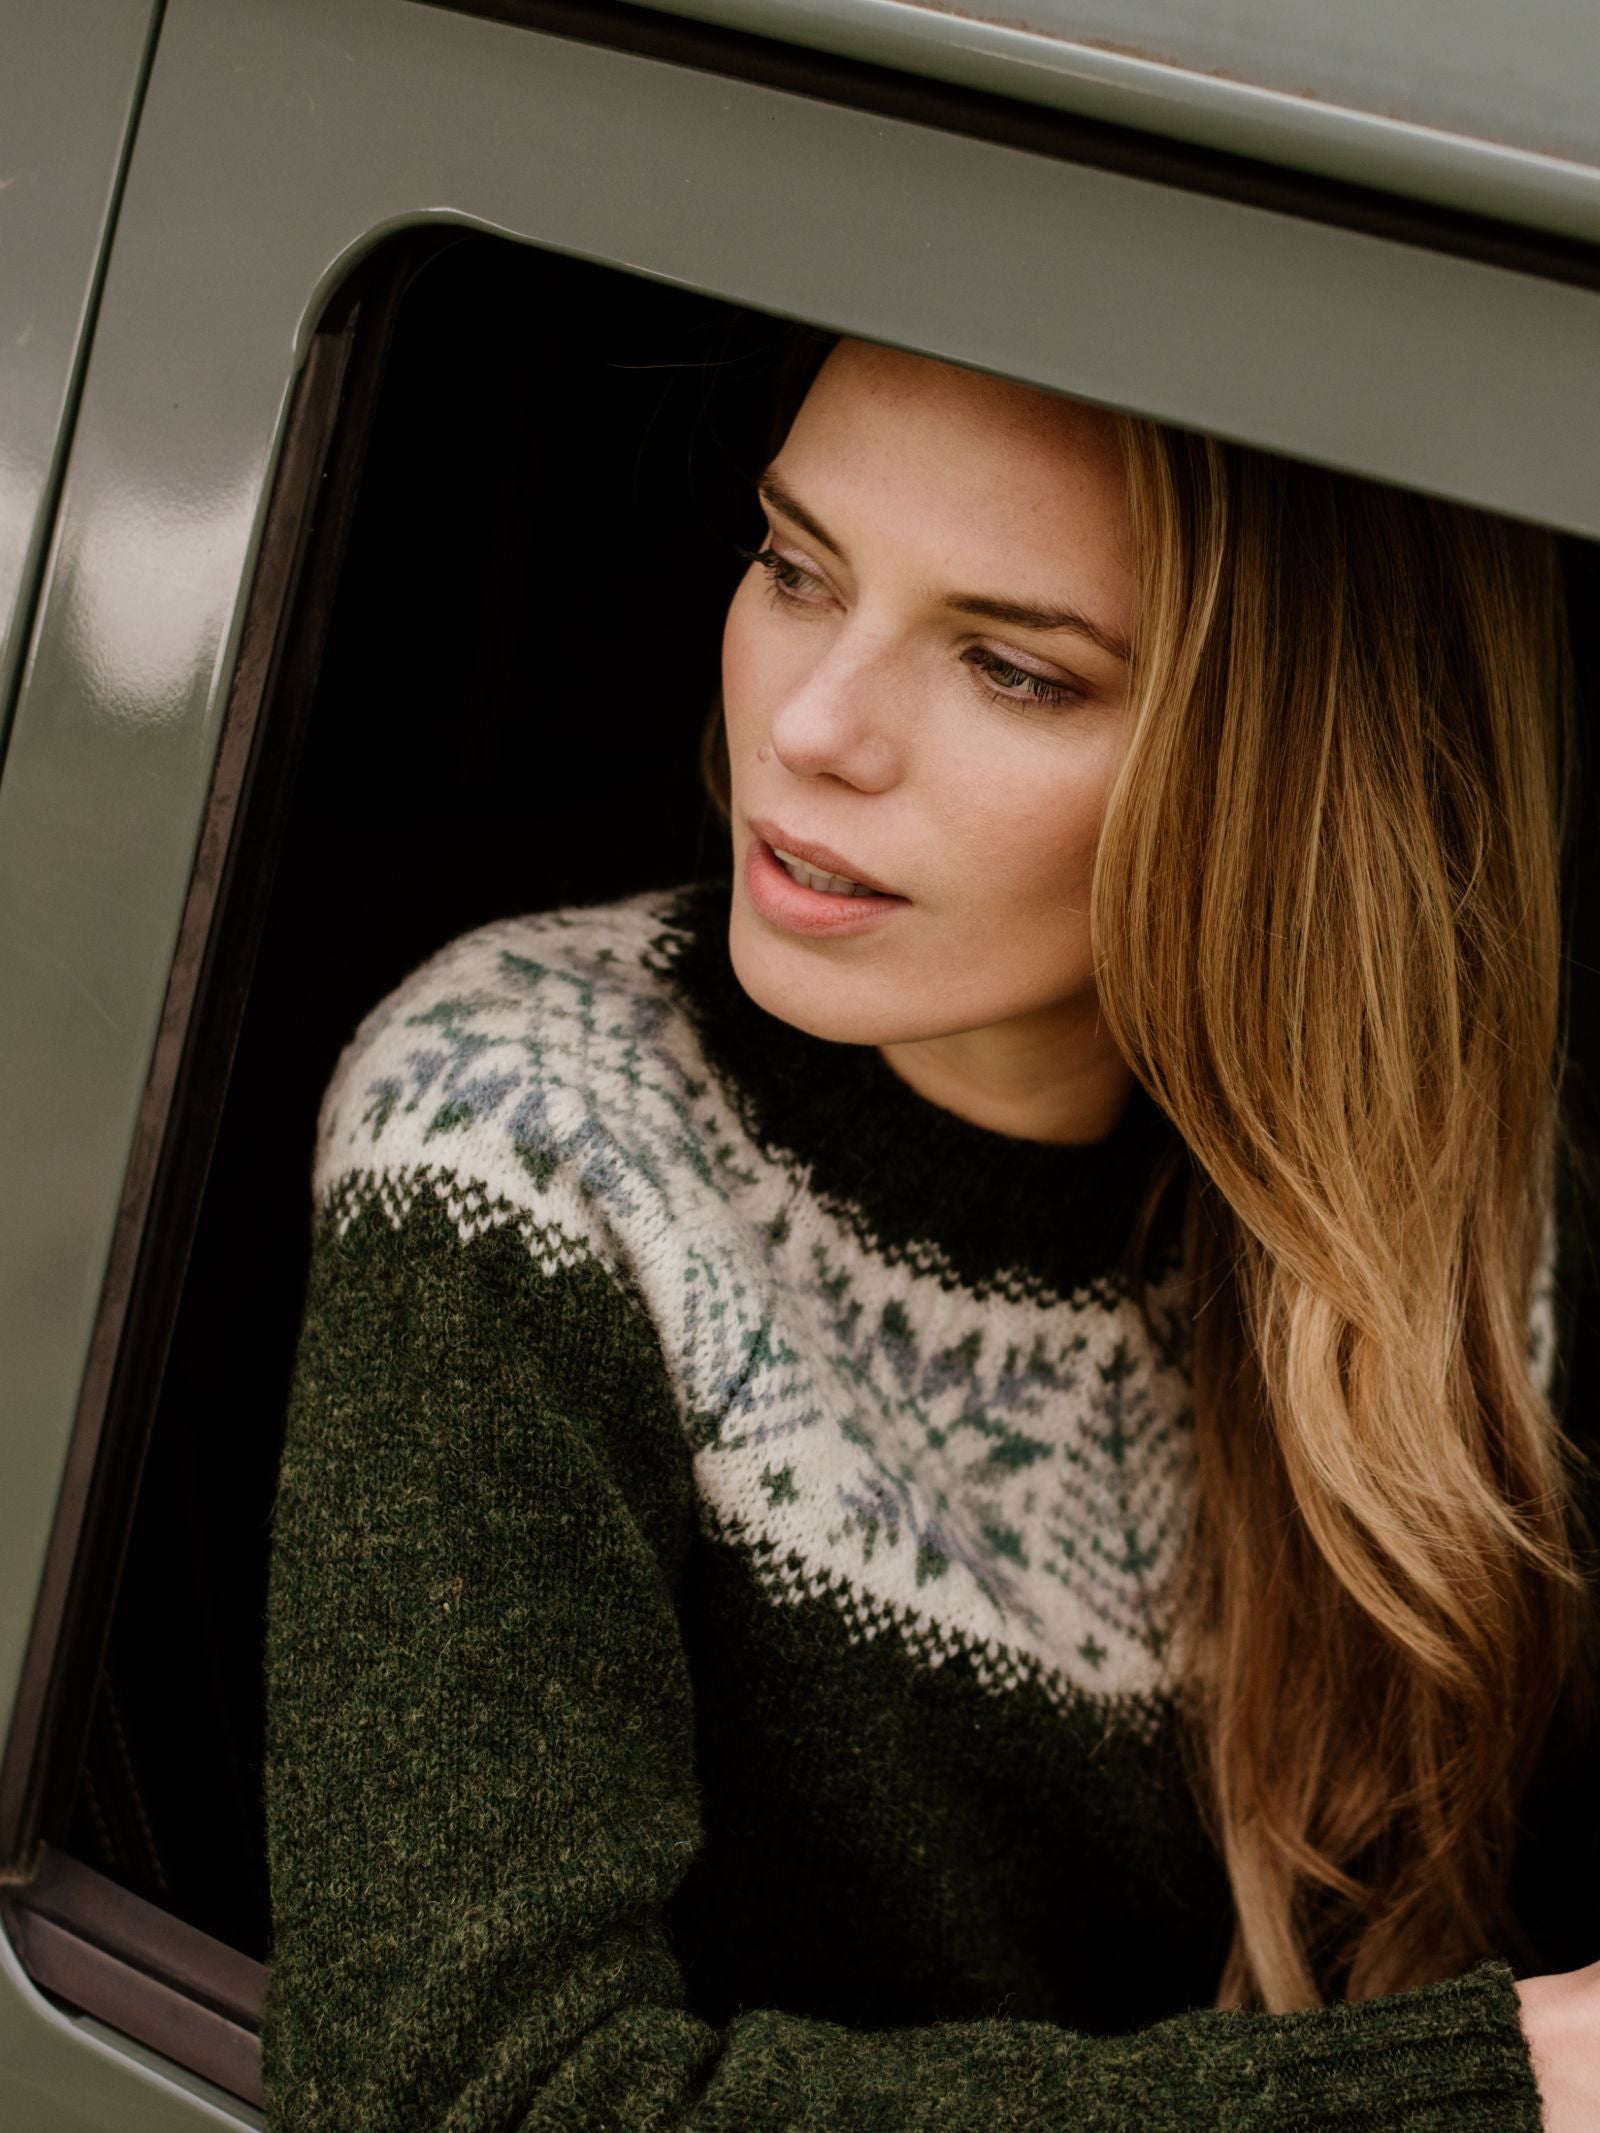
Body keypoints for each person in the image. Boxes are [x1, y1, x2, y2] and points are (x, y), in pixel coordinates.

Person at [260, 330, 1600, 2129]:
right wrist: (1492, 2088)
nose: (811, 726)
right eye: (795, 568)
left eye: (1010, 667)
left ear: (1292, 769)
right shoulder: (523, 1132)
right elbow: (471, 2097)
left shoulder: (1437, 1218)